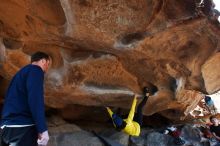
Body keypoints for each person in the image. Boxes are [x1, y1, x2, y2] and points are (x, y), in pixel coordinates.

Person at [0, 51, 50, 146]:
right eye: (48, 64)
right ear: (43, 61)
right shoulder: (36, 70)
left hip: (6, 128)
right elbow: (35, 100)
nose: (47, 69)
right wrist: (42, 129)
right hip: (22, 128)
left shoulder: (19, 74)